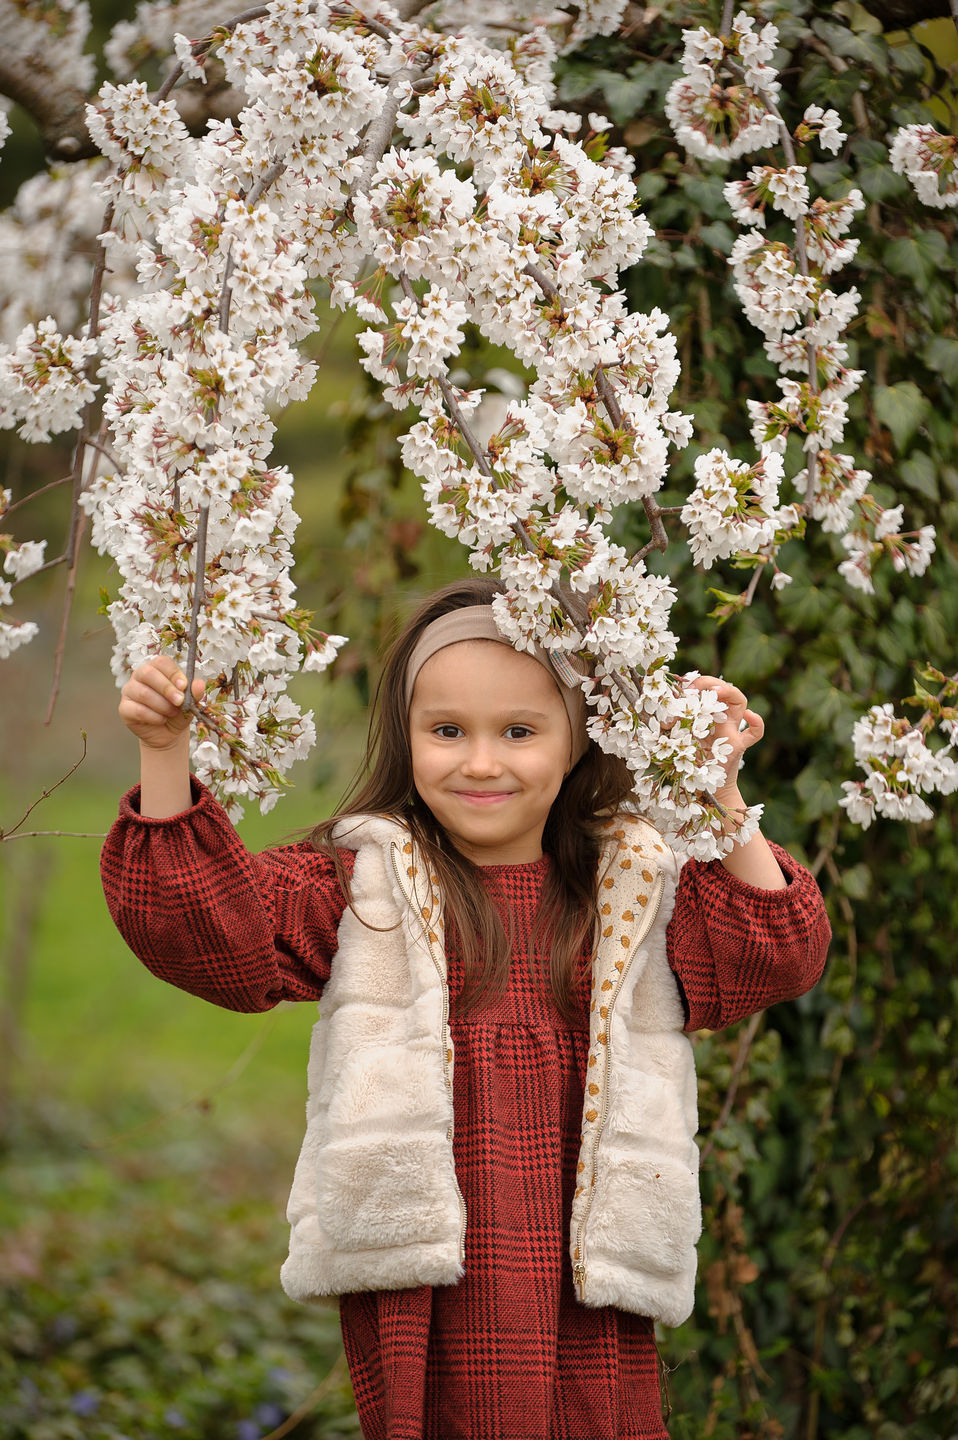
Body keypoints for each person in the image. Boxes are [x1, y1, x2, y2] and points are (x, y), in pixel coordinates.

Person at [101, 575, 831, 1440]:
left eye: (519, 732)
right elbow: (211, 937)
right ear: (406, 738)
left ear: (578, 742)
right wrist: (164, 754)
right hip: (427, 1271)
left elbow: (775, 953)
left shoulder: (632, 883)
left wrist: (719, 791)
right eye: (447, 731)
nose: (481, 762)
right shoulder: (367, 879)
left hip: (587, 1263)